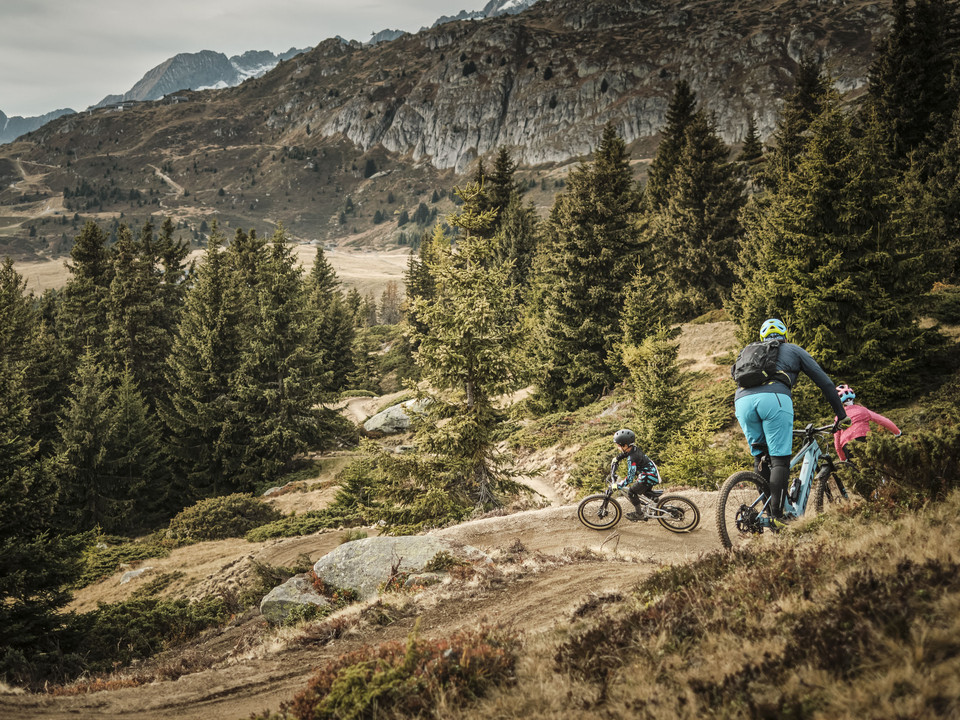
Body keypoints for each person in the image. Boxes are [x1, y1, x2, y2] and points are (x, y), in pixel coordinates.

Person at [733, 318, 849, 525]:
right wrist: (841, 414)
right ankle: (778, 516)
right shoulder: (792, 349)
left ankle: (767, 512)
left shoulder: (749, 351)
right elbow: (825, 382)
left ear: (762, 338)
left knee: (759, 455)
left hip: (742, 401)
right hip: (774, 398)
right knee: (779, 459)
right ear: (784, 335)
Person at [833, 383, 901, 462]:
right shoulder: (863, 410)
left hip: (847, 445)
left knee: (856, 470)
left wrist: (843, 458)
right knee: (873, 464)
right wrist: (897, 432)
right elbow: (883, 421)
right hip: (864, 438)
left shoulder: (838, 417)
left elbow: (837, 442)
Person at [610, 428, 661, 521]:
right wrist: (617, 458)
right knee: (642, 490)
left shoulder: (632, 458)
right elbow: (626, 453)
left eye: (619, 446)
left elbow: (630, 478)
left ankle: (639, 514)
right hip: (651, 473)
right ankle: (656, 501)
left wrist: (618, 485)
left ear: (625, 445)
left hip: (648, 476)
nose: (618, 447)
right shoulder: (633, 448)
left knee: (632, 492)